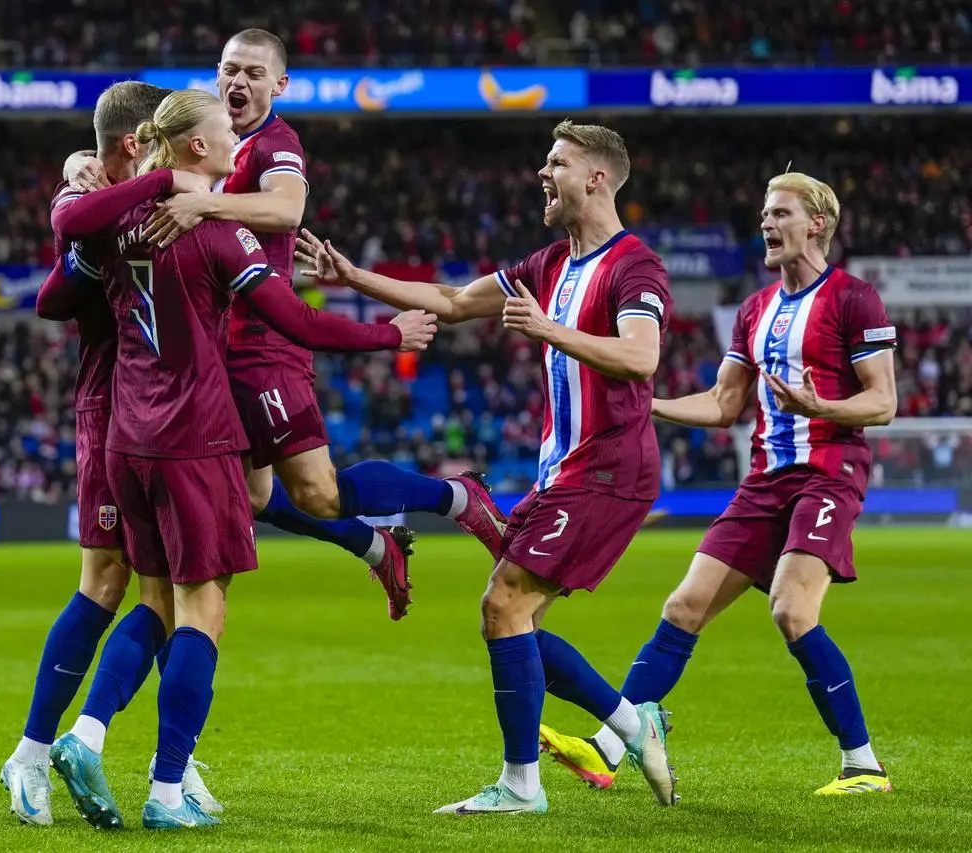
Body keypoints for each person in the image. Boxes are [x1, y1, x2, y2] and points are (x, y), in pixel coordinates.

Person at [53, 88, 435, 830]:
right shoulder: (220, 234)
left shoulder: (117, 221)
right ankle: (167, 792)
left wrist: (121, 180)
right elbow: (296, 320)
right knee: (205, 610)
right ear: (195, 146)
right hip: (195, 438)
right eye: (226, 132)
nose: (237, 144)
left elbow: (56, 267)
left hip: (126, 441)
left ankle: (88, 732)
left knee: (155, 604)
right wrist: (392, 335)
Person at [297, 119, 680, 814]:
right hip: (564, 469)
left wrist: (548, 329)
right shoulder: (546, 264)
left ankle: (521, 785)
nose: (543, 172)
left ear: (595, 177)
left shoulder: (635, 266)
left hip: (610, 466)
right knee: (516, 617)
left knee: (502, 604)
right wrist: (353, 277)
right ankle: (633, 722)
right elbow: (449, 301)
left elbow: (641, 358)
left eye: (556, 162)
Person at [65, 29, 508, 623]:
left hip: (264, 344)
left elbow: (286, 209)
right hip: (212, 349)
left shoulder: (277, 143)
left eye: (253, 73)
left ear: (280, 85)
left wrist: (206, 203)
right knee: (253, 496)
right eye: (229, 70)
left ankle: (456, 497)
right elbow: (139, 125)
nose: (238, 82)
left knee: (318, 493)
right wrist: (81, 161)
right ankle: (376, 545)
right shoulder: (209, 137)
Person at [538, 172, 897, 796]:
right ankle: (607, 750)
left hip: (829, 473)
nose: (766, 223)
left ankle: (863, 765)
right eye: (764, 212)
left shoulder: (854, 299)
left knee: (790, 608)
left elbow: (884, 402)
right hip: (764, 481)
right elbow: (723, 403)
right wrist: (647, 402)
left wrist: (822, 408)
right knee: (682, 607)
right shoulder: (754, 310)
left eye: (780, 212)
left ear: (816, 223)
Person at [1, 81, 211, 828]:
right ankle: (30, 755)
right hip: (113, 410)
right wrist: (81, 194)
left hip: (166, 418)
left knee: (169, 585)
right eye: (155, 140)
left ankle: (174, 766)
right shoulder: (98, 202)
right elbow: (54, 299)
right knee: (111, 580)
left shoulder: (131, 202)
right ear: (134, 144)